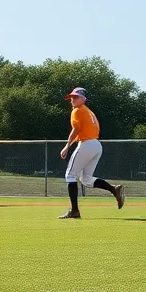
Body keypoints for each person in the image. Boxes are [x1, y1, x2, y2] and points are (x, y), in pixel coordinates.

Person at [58, 88, 125, 219]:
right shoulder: (89, 112)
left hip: (86, 144)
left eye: (76, 97)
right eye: (72, 97)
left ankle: (74, 211)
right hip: (96, 145)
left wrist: (67, 146)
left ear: (84, 99)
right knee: (86, 179)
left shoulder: (77, 110)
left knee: (70, 175)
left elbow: (76, 129)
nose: (73, 99)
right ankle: (113, 189)